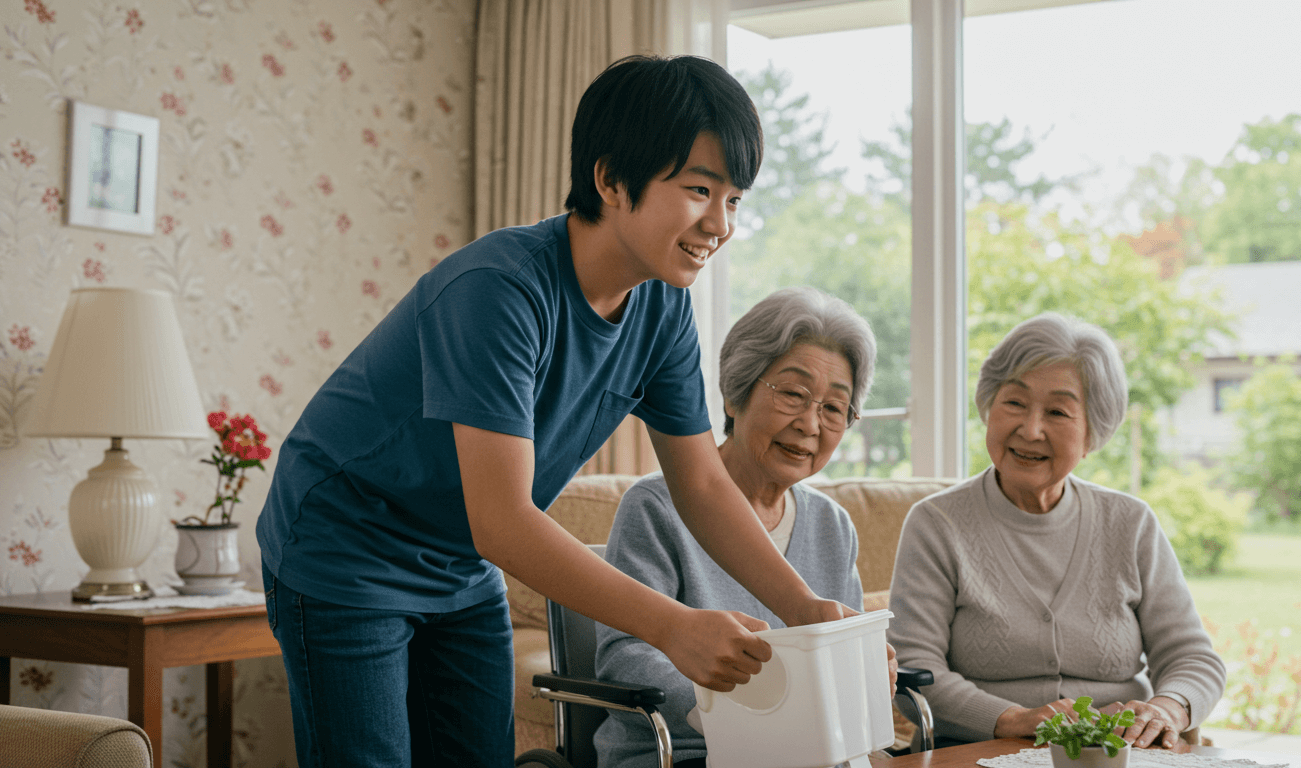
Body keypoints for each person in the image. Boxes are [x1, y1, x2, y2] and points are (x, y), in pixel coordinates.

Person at [255, 55, 850, 768]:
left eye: (735, 200)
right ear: (611, 180)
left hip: (459, 561)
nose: (719, 224)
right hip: (346, 545)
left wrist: (805, 609)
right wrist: (673, 627)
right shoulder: (498, 291)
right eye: (699, 189)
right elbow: (503, 520)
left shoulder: (662, 309)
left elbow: (701, 483)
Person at [887, 313, 1226, 752]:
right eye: (1014, 403)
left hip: (1115, 753)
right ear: (989, 407)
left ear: (1092, 434)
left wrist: (1167, 708)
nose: (1030, 430)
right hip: (978, 752)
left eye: (1057, 412)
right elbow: (914, 667)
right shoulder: (937, 523)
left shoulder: (1130, 523)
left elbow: (1192, 657)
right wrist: (1011, 719)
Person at [594, 286, 892, 768]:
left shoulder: (832, 524)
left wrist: (868, 673)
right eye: (793, 394)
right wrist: (752, 705)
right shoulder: (656, 506)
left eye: (834, 408)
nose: (810, 424)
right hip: (685, 754)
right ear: (735, 394)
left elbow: (839, 658)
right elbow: (624, 660)